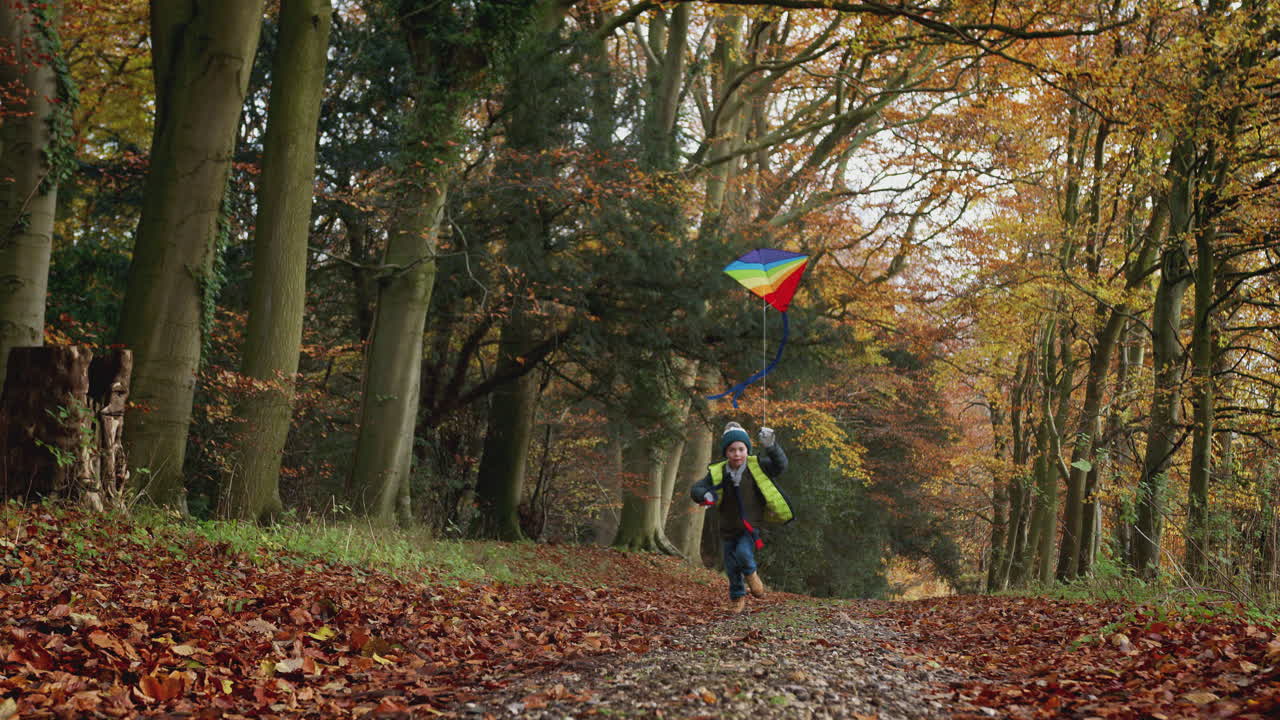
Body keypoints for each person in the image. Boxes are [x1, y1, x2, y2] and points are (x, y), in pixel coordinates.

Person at [691, 421, 792, 613]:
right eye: (731, 450)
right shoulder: (718, 472)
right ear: (725, 452)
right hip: (727, 527)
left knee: (744, 554)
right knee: (731, 567)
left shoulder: (757, 466)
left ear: (747, 450)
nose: (737, 454)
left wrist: (771, 445)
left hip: (750, 526)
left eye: (741, 449)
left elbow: (780, 466)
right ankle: (737, 599)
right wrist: (704, 495)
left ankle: (753, 576)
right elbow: (697, 488)